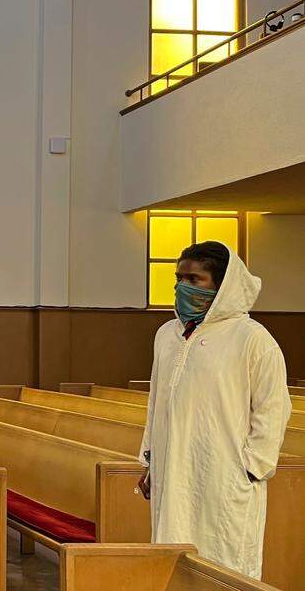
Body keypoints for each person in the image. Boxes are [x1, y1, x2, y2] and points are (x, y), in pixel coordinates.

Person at [137, 241, 291, 579]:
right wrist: (150, 461)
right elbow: (157, 401)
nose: (183, 287)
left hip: (225, 475)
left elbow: (273, 409)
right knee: (173, 559)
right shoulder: (167, 334)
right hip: (173, 471)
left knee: (224, 563)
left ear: (222, 286)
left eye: (195, 279)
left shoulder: (251, 338)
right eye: (179, 279)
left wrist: (251, 468)